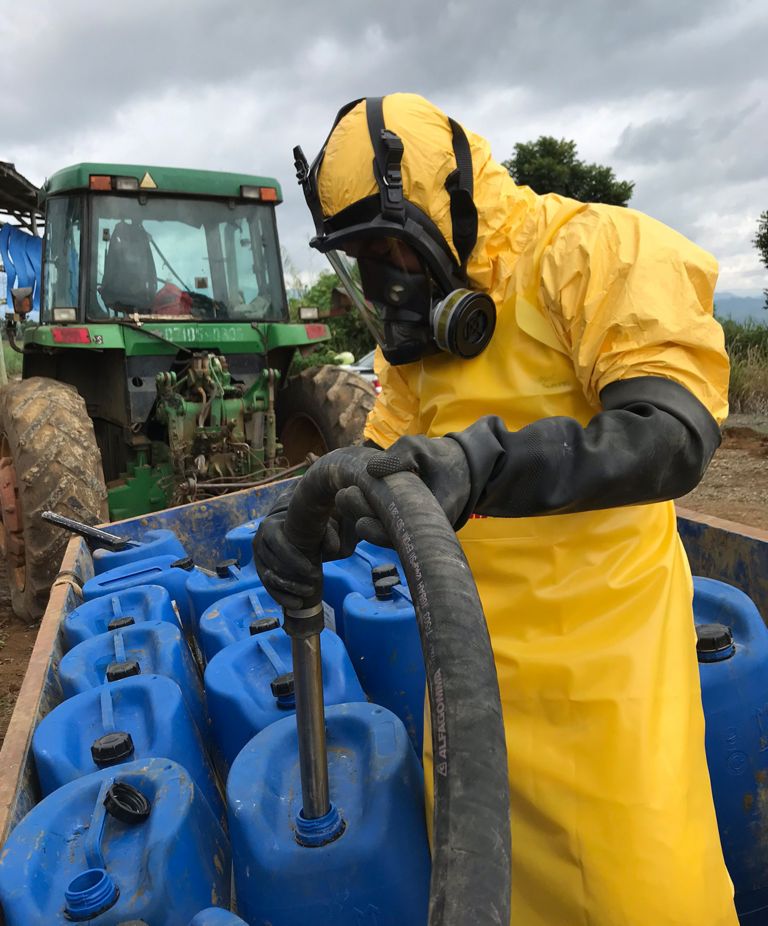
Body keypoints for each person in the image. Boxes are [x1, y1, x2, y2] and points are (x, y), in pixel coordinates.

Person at [254, 94, 737, 925]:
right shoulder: (417, 353)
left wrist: (485, 463)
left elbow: (673, 436)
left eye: (389, 249)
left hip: (610, 698)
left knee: (645, 899)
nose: (385, 282)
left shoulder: (593, 252)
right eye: (359, 257)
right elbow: (379, 475)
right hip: (472, 698)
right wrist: (307, 525)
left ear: (453, 209)